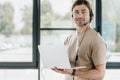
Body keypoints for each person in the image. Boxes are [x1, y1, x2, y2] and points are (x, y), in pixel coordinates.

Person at [52, 0, 107, 80]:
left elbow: (100, 74)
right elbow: (66, 65)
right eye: (76, 12)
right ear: (72, 15)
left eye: (83, 12)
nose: (80, 15)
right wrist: (58, 66)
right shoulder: (69, 38)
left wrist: (73, 72)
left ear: (90, 15)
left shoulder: (97, 39)